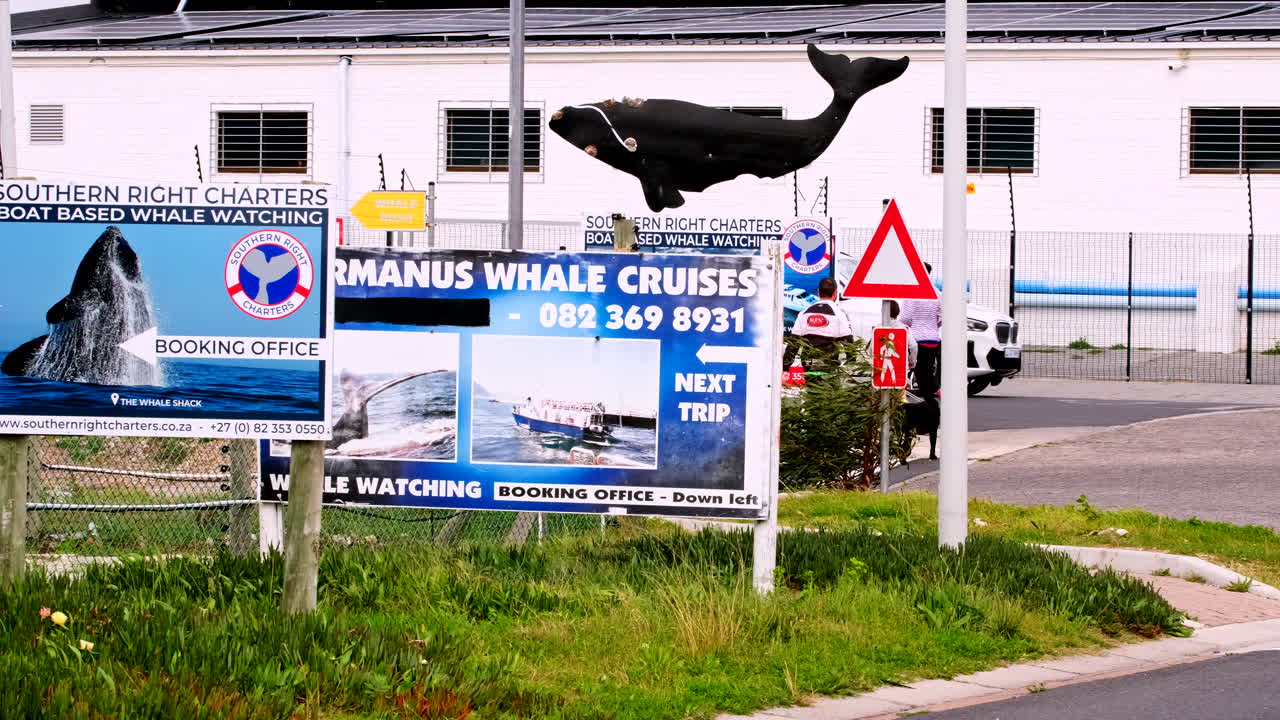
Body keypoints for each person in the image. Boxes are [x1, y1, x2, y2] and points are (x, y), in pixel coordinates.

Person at [783, 276, 854, 376]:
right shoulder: (840, 314)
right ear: (835, 293)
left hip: (809, 366)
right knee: (829, 391)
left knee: (811, 391)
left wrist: (785, 369)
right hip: (829, 366)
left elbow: (794, 343)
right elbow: (848, 342)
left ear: (818, 292)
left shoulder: (804, 313)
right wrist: (852, 362)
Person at [900, 263, 941, 397]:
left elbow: (905, 318)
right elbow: (942, 316)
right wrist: (933, 325)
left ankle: (930, 400)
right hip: (933, 338)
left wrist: (915, 323)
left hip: (917, 338)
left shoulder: (912, 292)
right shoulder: (937, 292)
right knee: (927, 371)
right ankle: (934, 395)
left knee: (921, 372)